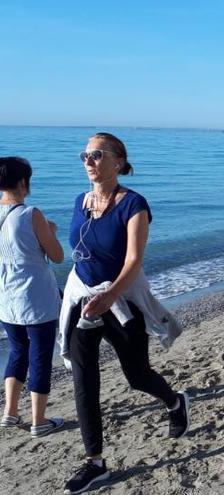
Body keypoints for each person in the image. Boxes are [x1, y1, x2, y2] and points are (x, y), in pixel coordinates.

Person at [60, 133, 188, 494]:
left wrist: (110, 294)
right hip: (84, 303)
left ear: (118, 161)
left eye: (97, 154)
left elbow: (134, 261)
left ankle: (176, 402)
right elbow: (80, 255)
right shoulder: (80, 202)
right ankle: (95, 463)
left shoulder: (134, 204)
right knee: (84, 382)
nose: (89, 160)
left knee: (137, 375)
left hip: (121, 303)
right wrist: (72, 294)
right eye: (85, 154)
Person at [0, 157, 65, 438]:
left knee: (17, 352)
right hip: (36, 299)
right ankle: (39, 420)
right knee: (39, 356)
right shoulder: (31, 214)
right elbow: (58, 256)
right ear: (23, 182)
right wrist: (50, 231)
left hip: (7, 299)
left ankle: (10, 412)